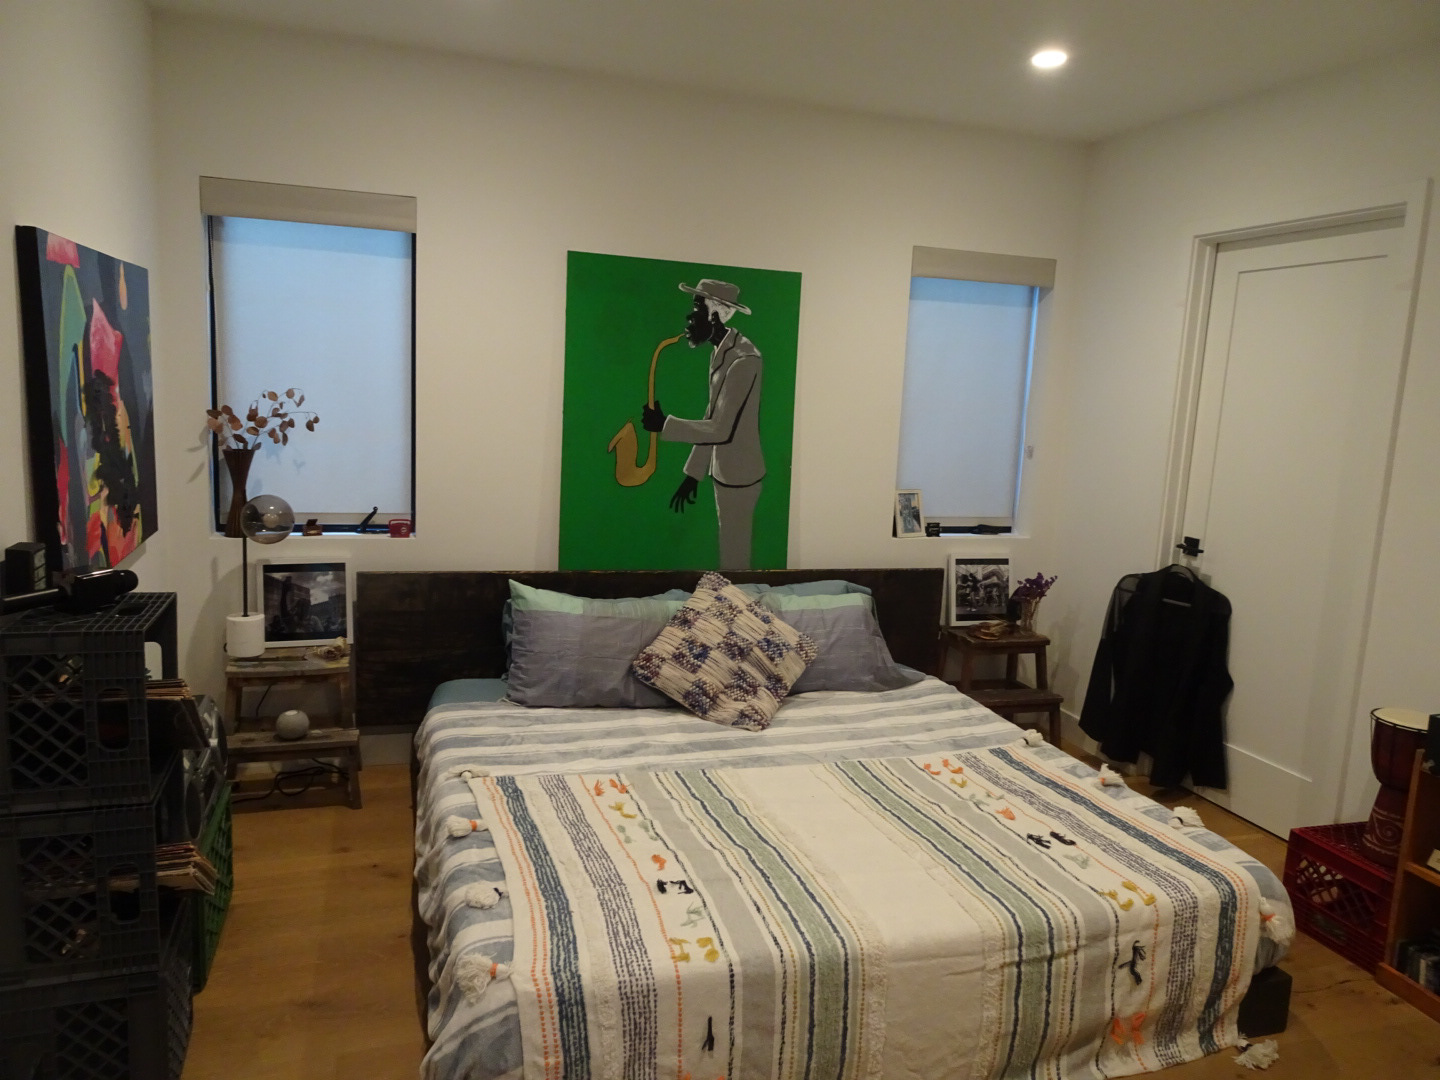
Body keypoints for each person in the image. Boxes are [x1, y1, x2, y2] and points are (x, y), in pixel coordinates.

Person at [642, 279, 763, 570]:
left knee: (735, 557)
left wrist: (665, 424)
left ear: (715, 315)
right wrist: (693, 474)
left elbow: (720, 428)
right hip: (725, 474)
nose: (689, 316)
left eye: (697, 308)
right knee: (729, 550)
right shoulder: (722, 351)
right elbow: (712, 414)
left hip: (739, 477)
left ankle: (735, 597)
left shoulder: (744, 360)